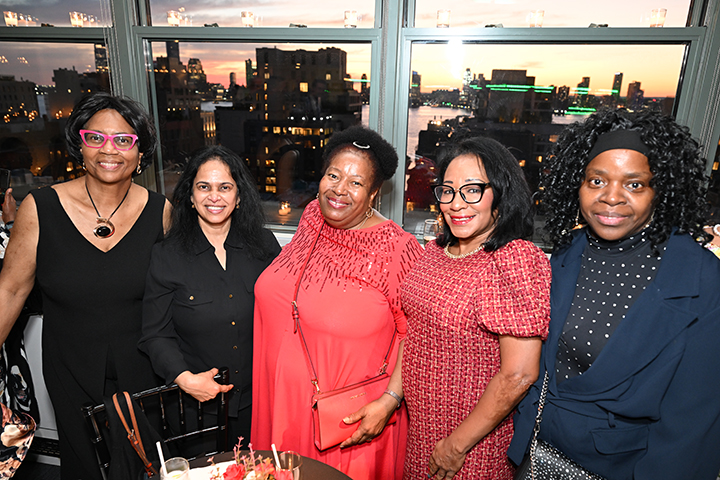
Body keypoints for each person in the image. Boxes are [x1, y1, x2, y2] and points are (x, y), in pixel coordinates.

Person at [508, 108, 720, 480]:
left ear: (660, 190)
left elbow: (691, 424)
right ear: (578, 185)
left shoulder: (702, 279)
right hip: (535, 453)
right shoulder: (567, 252)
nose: (611, 197)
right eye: (596, 181)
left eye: (634, 185)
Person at [0, 92, 171, 479]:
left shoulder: (160, 211)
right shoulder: (40, 208)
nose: (109, 150)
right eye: (96, 137)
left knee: (145, 468)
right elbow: (10, 291)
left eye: (123, 140)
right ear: (80, 145)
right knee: (85, 470)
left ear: (140, 152)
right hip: (70, 369)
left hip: (144, 371)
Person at [252, 125, 423, 480]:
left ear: (374, 192)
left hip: (343, 420)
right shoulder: (313, 215)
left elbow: (417, 334)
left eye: (356, 182)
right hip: (281, 400)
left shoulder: (398, 249)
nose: (339, 189)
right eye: (333, 175)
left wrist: (390, 400)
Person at [394, 136, 551, 479]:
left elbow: (519, 374)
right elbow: (416, 333)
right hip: (421, 434)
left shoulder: (512, 259)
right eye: (448, 191)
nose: (456, 204)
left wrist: (456, 445)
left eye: (472, 190)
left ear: (501, 193)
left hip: (472, 448)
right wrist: (391, 397)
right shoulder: (435, 252)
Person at [139, 145, 281, 448]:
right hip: (196, 409)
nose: (214, 196)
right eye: (204, 187)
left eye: (225, 187)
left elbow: (283, 316)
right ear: (190, 196)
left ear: (239, 197)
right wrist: (184, 378)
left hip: (258, 403)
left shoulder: (265, 246)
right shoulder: (167, 256)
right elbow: (155, 334)